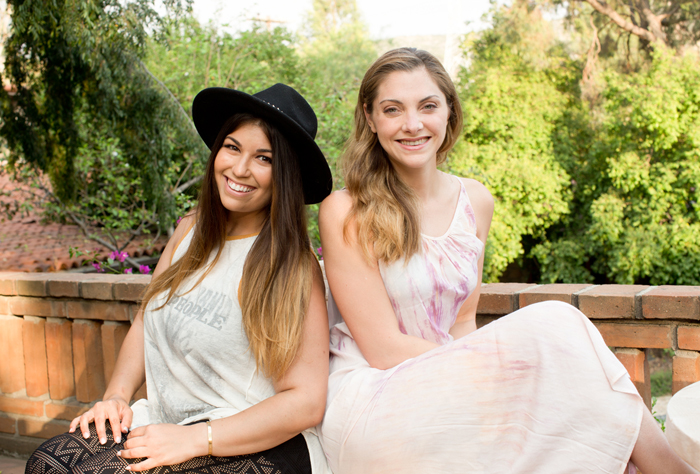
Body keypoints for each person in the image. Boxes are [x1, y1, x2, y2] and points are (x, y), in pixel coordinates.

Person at [317, 47, 699, 474]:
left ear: (449, 111)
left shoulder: (475, 201)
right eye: (393, 109)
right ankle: (672, 469)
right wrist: (501, 372)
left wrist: (486, 381)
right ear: (370, 118)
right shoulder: (345, 210)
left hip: (450, 387)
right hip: (374, 401)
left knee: (581, 418)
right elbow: (383, 348)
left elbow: (463, 323)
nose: (412, 124)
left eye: (428, 106)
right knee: (556, 322)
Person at [25, 84, 334, 474]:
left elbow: (306, 401)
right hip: (170, 421)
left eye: (264, 158)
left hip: (257, 439)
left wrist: (197, 439)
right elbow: (146, 320)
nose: (240, 169)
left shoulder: (292, 266)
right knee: (47, 464)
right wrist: (116, 397)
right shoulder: (190, 230)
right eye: (233, 147)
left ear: (285, 175)